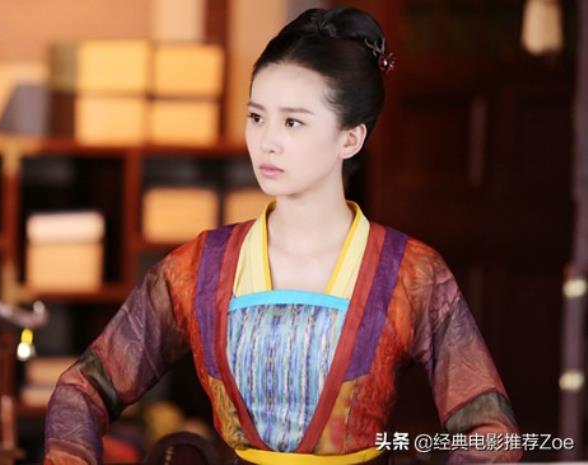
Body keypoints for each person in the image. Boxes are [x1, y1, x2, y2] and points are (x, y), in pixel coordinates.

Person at [44, 6, 522, 465]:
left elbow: (490, 431)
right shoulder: (199, 268)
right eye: (257, 117)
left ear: (350, 138)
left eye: (293, 121)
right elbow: (83, 388)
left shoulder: (410, 273)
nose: (267, 141)